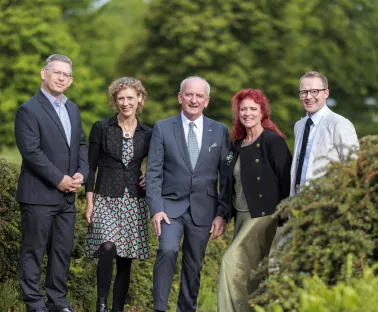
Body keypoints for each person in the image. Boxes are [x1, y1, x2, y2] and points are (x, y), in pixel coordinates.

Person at [146, 76, 230, 312]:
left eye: (199, 96)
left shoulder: (220, 131)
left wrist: (222, 213)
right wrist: (156, 209)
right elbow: (153, 172)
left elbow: (226, 176)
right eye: (189, 95)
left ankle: (186, 309)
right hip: (169, 208)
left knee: (194, 265)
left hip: (204, 209)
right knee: (167, 249)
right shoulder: (163, 127)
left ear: (207, 101)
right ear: (180, 97)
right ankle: (159, 308)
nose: (194, 100)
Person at [14, 54, 88, 312]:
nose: (61, 77)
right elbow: (31, 152)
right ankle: (34, 304)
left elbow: (80, 144)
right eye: (56, 72)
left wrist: (82, 172)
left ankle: (57, 301)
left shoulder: (73, 109)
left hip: (67, 198)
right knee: (34, 251)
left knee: (61, 252)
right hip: (38, 195)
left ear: (71, 80)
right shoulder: (29, 110)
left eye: (66, 74)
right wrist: (59, 179)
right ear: (43, 73)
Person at [217, 89, 292, 312]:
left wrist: (285, 216)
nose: (247, 113)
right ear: (238, 113)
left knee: (229, 263)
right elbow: (228, 184)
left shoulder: (272, 141)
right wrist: (222, 214)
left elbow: (286, 177)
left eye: (253, 109)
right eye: (243, 109)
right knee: (252, 273)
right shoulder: (237, 144)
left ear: (262, 113)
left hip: (264, 214)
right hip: (241, 214)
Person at [84, 77, 152, 312]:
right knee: (108, 247)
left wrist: (150, 177)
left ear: (140, 99)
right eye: (120, 98)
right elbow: (90, 166)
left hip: (134, 200)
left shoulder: (148, 133)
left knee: (126, 259)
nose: (125, 103)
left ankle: (117, 308)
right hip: (104, 197)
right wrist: (89, 203)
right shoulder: (101, 128)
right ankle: (101, 303)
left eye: (130, 98)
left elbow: (158, 165)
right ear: (115, 101)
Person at [291, 71, 359, 195]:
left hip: (325, 204)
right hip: (297, 204)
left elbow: (352, 167)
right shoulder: (299, 126)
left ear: (326, 93)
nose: (309, 96)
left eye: (314, 91)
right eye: (304, 92)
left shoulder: (340, 124)